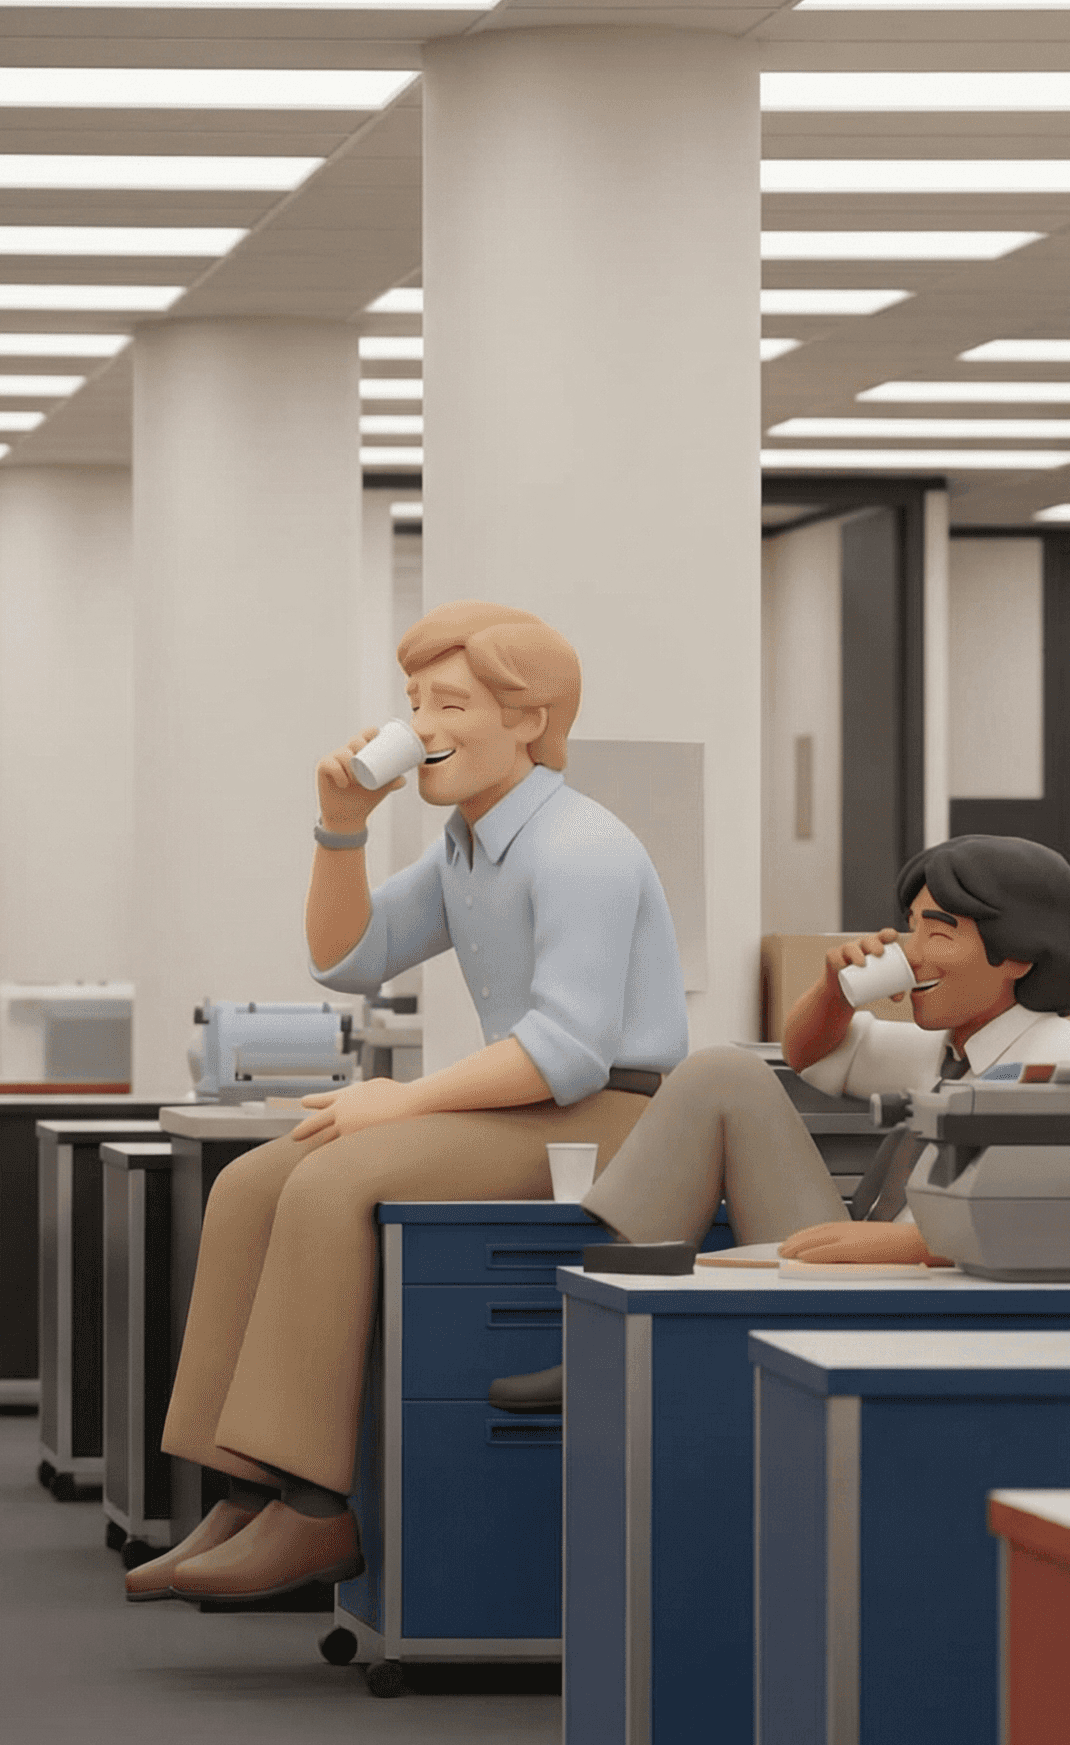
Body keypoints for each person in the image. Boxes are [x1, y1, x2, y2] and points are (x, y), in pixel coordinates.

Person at [126, 601, 687, 1604]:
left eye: (451, 702)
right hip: (534, 1104)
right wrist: (339, 831)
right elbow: (349, 957)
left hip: (610, 1113)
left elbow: (567, 1048)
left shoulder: (579, 848)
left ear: (530, 718)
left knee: (339, 1175)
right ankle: (242, 1490)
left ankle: (313, 1506)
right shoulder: (470, 844)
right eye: (416, 701)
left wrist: (404, 1103)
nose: (422, 725)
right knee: (253, 1182)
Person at [588, 833, 1070, 1270]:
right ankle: (612, 1310)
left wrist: (914, 1247)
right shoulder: (939, 1053)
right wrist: (833, 991)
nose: (912, 956)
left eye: (938, 936)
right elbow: (810, 1056)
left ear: (1019, 956)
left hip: (941, 1285)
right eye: (912, 930)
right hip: (869, 1264)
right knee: (722, 1072)